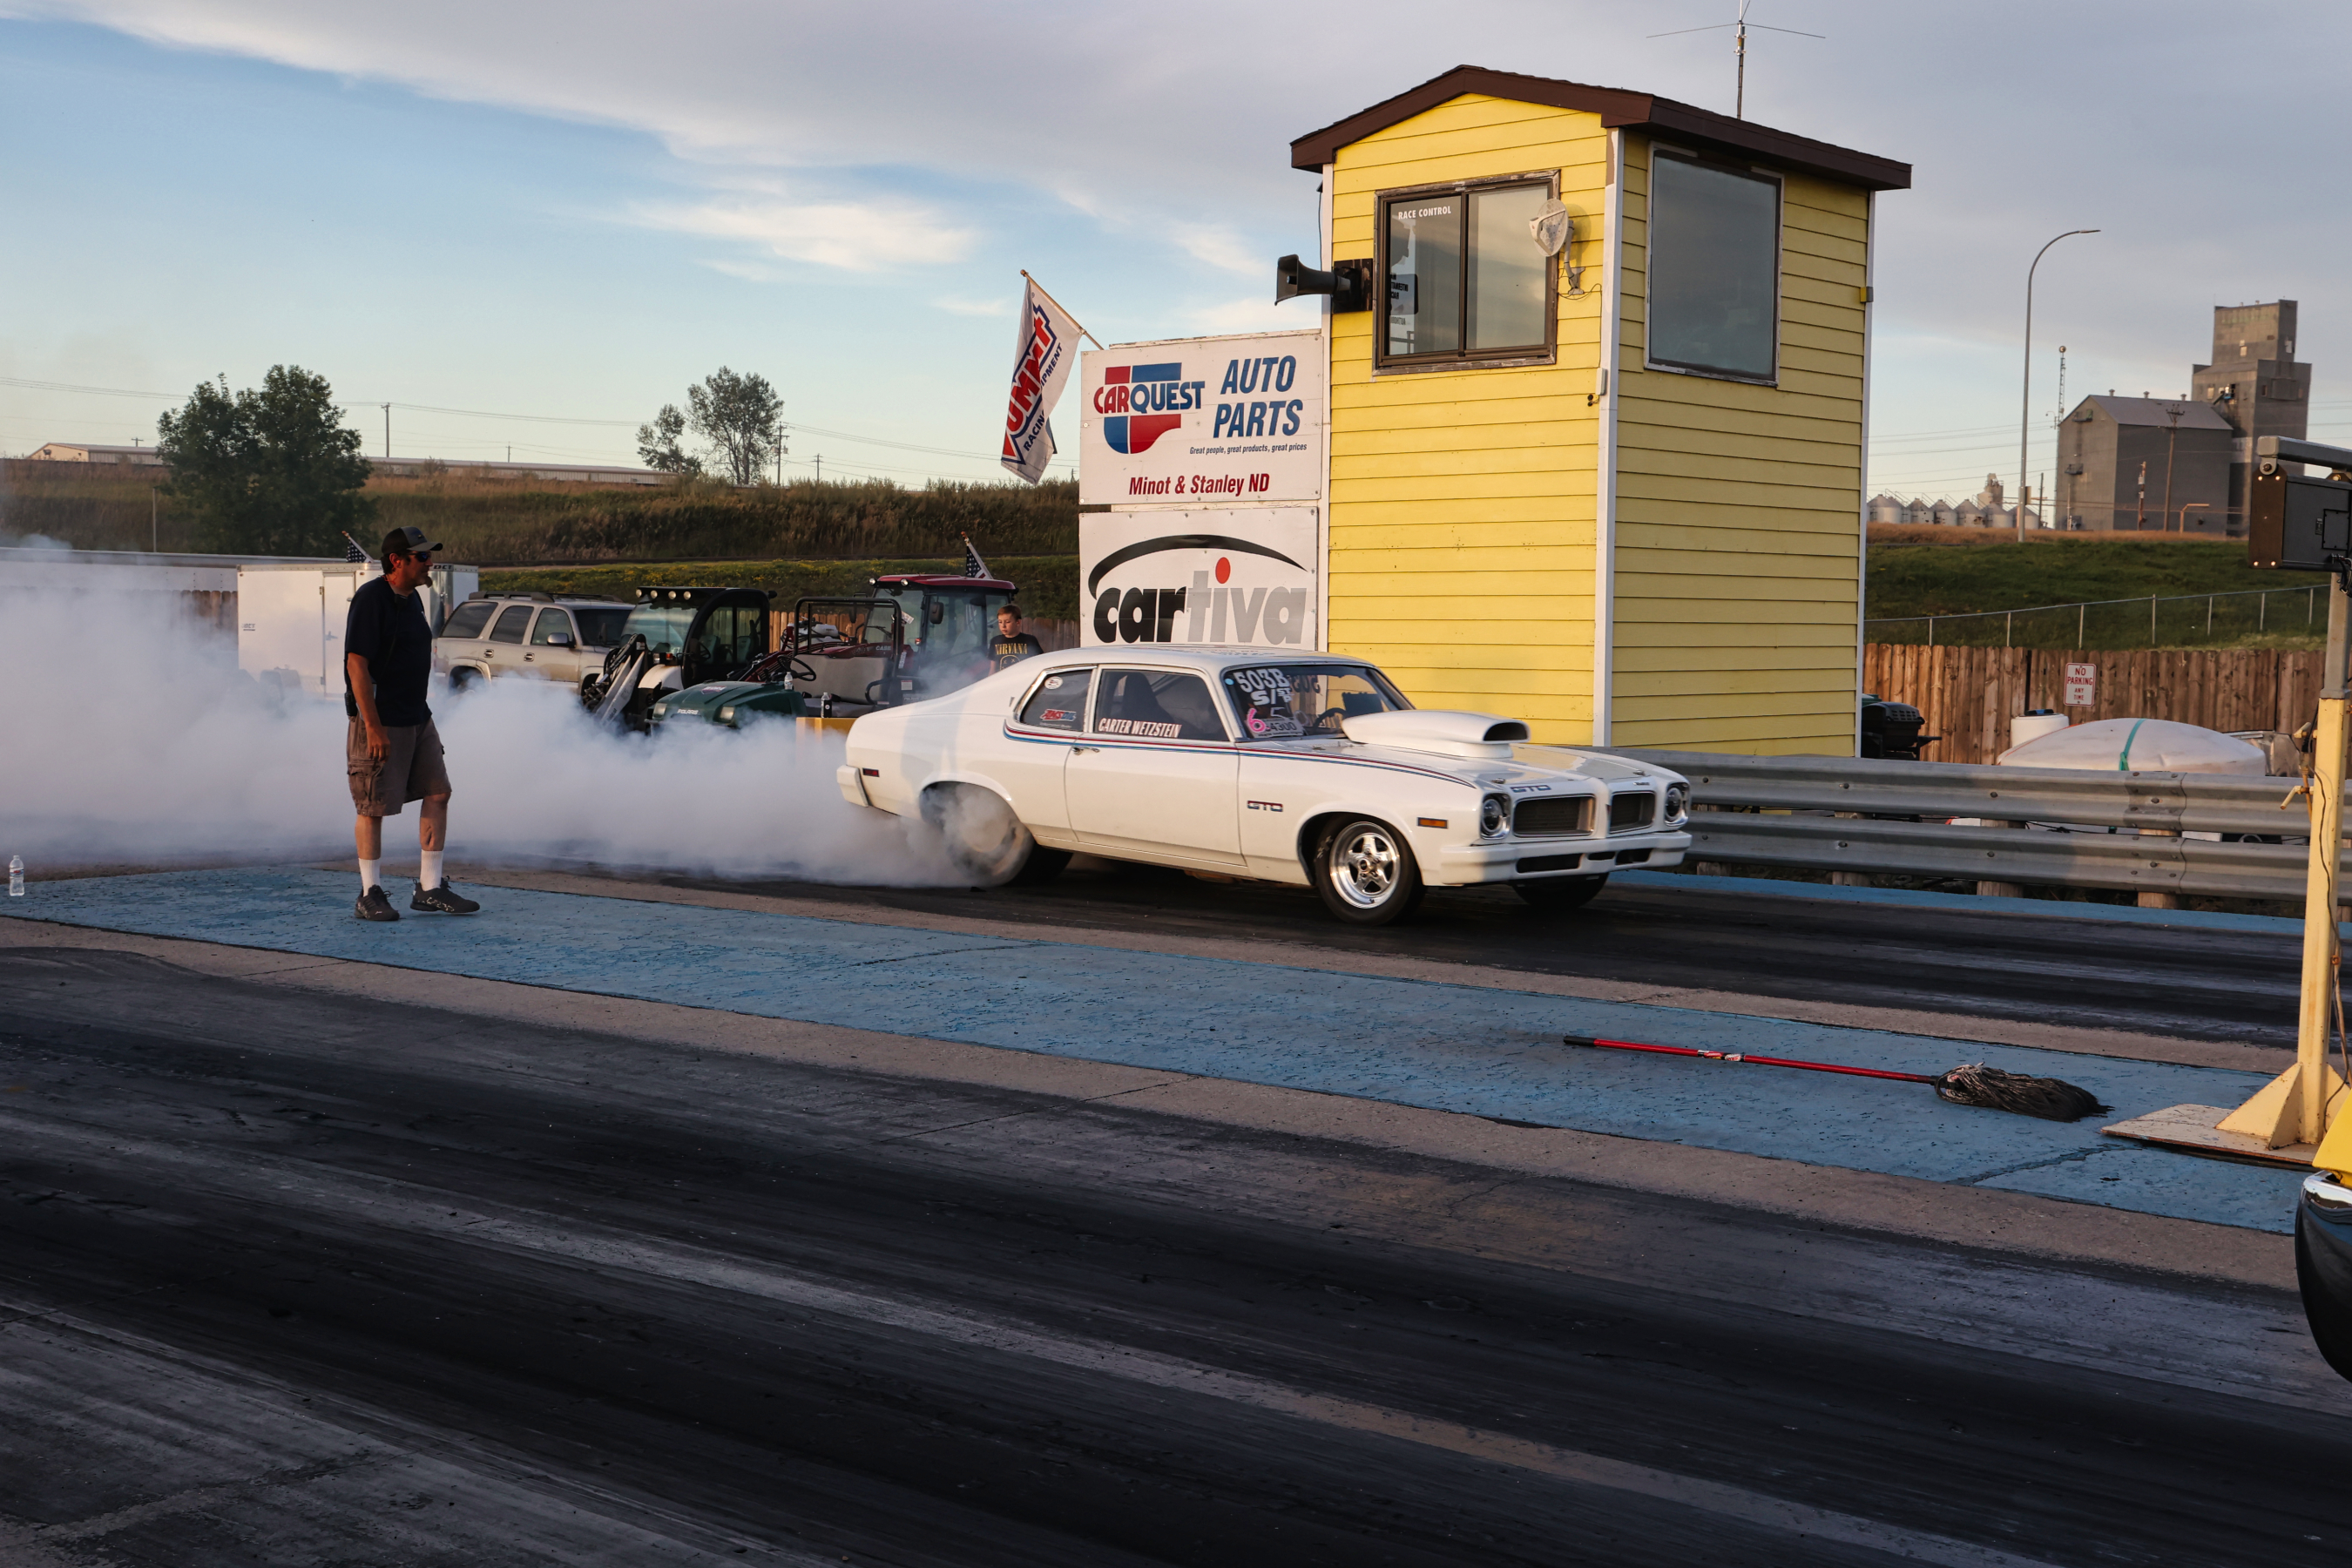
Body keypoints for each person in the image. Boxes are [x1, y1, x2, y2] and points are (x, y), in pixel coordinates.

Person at [347, 526, 479, 921]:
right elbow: (356, 665)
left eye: (429, 556)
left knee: (438, 792)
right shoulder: (371, 599)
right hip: (381, 719)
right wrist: (373, 726)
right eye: (422, 556)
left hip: (417, 716)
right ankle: (369, 893)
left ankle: (429, 888)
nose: (429, 563)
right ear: (397, 561)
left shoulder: (414, 599)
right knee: (373, 806)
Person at [990, 603, 1044, 672]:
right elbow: (992, 669)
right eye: (1000, 622)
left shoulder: (1030, 640)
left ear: (1018, 622)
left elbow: (1039, 665)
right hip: (1002, 679)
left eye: (1007, 622)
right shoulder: (995, 641)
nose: (1003, 626)